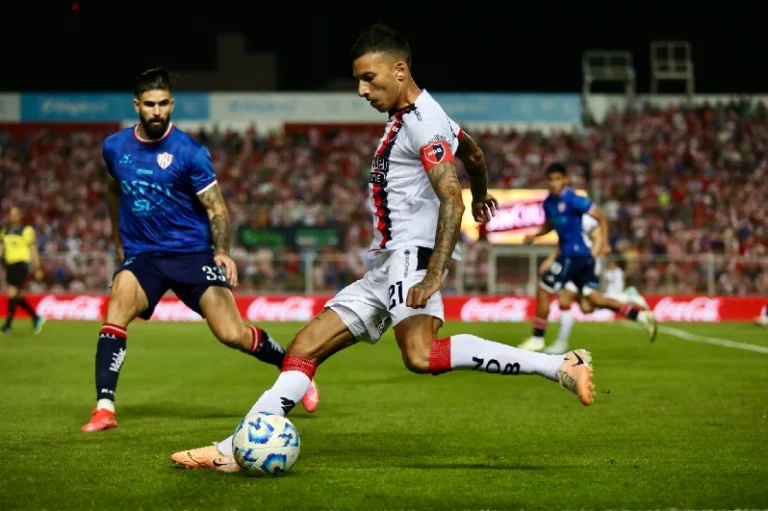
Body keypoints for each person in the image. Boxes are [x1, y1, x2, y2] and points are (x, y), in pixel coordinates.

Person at [171, 24, 596, 472]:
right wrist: (485, 191)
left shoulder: (423, 122)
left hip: (412, 258)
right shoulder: (424, 117)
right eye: (358, 79)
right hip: (386, 264)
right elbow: (473, 154)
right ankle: (234, 448)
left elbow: (452, 195)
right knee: (303, 348)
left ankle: (558, 365)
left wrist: (433, 274)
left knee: (420, 355)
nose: (361, 89)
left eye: (368, 78)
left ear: (399, 69)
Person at [80, 68, 318, 433]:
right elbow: (115, 192)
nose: (157, 111)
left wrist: (221, 250)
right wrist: (118, 241)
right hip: (144, 255)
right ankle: (104, 408)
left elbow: (217, 208)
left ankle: (292, 365)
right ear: (137, 106)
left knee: (231, 334)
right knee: (116, 309)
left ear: (171, 104)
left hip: (192, 254)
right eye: (149, 105)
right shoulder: (114, 147)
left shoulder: (190, 152)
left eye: (163, 104)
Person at [522, 164, 657, 349]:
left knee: (545, 291)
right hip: (580, 258)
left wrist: (604, 244)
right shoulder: (548, 203)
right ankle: (639, 315)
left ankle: (538, 338)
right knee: (591, 303)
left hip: (575, 255)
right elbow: (551, 225)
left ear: (565, 180)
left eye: (558, 179)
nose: (554, 183)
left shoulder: (575, 200)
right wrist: (536, 236)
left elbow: (601, 218)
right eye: (551, 179)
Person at [520, 215, 651, 354]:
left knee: (564, 299)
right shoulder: (568, 220)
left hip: (584, 264)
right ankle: (625, 298)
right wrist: (551, 259)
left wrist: (590, 260)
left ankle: (559, 342)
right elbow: (563, 243)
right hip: (575, 263)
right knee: (587, 307)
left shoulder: (585, 218)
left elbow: (598, 235)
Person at [0, 207, 45, 335]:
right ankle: (36, 317)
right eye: (10, 214)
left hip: (21, 264)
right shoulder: (5, 231)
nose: (12, 217)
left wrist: (37, 268)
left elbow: (34, 250)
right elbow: (2, 248)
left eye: (15, 214)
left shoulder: (26, 230)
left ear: (20, 216)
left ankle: (7, 325)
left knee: (12, 293)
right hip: (9, 265)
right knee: (15, 295)